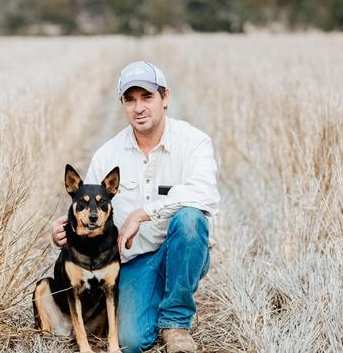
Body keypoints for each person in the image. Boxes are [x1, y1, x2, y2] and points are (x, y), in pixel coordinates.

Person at [51, 61, 220, 353]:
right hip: (135, 261)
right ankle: (153, 299)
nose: (138, 107)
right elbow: (87, 203)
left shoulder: (193, 142)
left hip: (181, 249)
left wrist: (143, 213)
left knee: (191, 218)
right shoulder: (107, 154)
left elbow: (206, 194)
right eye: (130, 99)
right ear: (122, 104)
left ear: (165, 98)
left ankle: (176, 323)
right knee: (131, 342)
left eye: (147, 97)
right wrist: (63, 231)